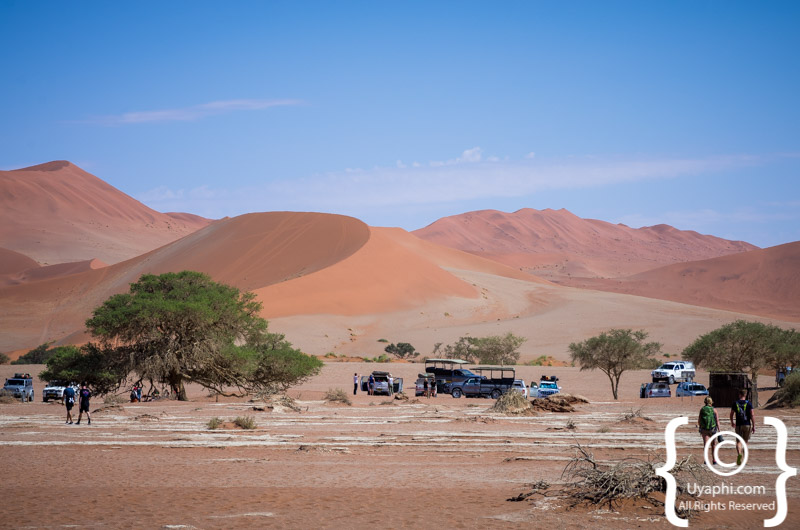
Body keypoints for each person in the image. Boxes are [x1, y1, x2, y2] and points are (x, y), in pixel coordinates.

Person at [730, 388, 755, 466]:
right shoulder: (749, 403)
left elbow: (731, 414)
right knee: (746, 442)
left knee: (738, 442)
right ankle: (745, 460)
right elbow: (752, 415)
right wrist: (754, 425)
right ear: (745, 395)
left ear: (739, 395)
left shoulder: (735, 403)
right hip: (747, 424)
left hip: (739, 425)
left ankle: (739, 454)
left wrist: (732, 422)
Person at [698, 396, 720, 464]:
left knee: (706, 445)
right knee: (713, 445)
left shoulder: (702, 409)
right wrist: (719, 430)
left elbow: (699, 420)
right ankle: (714, 460)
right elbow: (717, 421)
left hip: (704, 430)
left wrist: (701, 427)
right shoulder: (714, 410)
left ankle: (706, 460)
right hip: (713, 429)